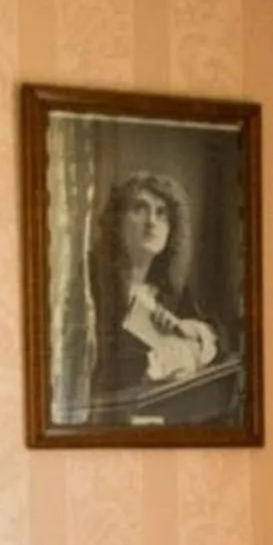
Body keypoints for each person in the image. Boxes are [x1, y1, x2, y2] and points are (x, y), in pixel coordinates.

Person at [84, 171, 220, 407]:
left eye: (161, 213)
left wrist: (190, 329)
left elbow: (221, 337)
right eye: (139, 209)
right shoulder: (90, 280)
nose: (152, 222)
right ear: (117, 223)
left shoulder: (169, 290)